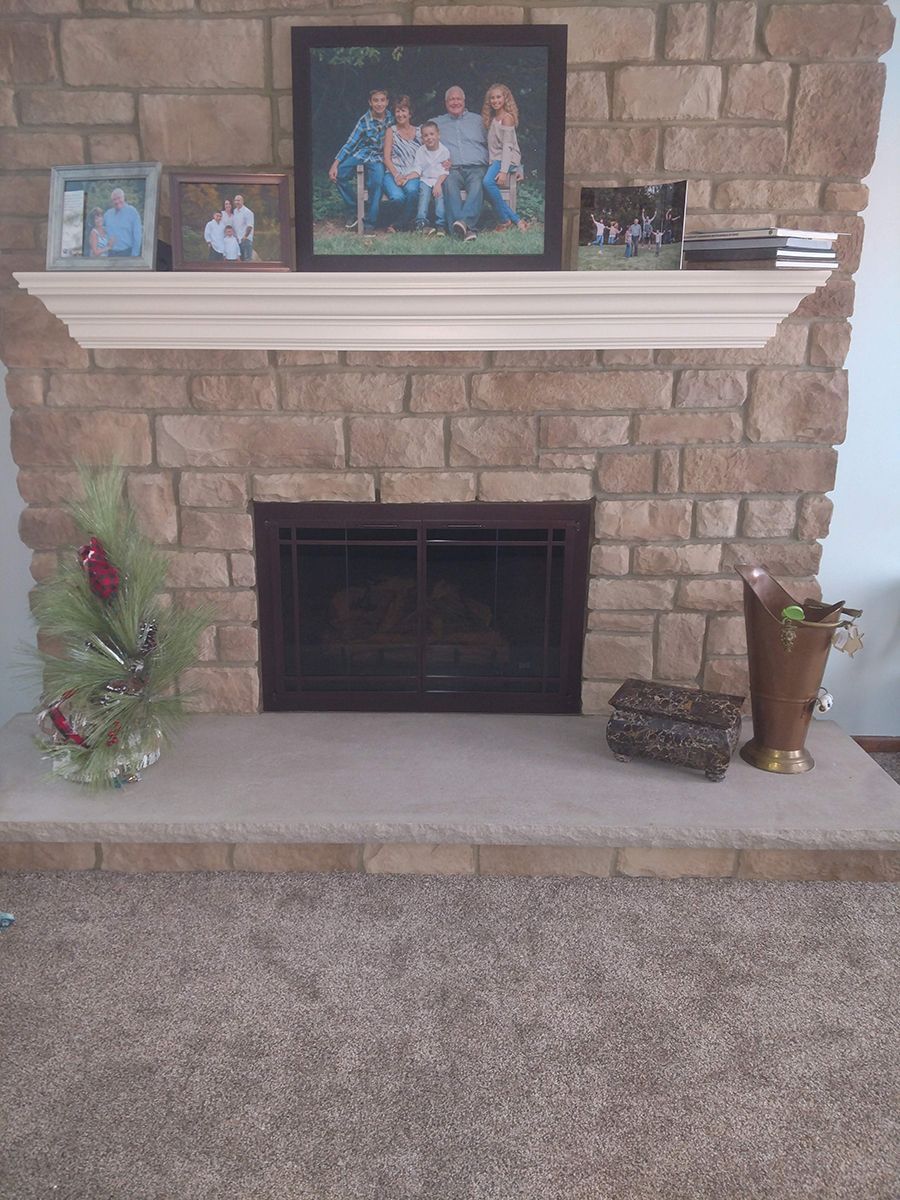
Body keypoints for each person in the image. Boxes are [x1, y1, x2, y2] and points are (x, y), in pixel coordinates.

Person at [329, 88, 394, 234]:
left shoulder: (391, 118)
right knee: (338, 175)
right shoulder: (364, 120)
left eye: (382, 100)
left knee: (376, 183)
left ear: (387, 102)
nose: (379, 104)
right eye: (376, 100)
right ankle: (354, 208)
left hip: (379, 157)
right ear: (370, 103)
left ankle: (370, 223)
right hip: (362, 154)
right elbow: (350, 143)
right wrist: (335, 163)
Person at [433, 86, 487, 242]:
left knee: (477, 184)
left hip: (476, 168)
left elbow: (498, 142)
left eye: (458, 99)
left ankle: (461, 225)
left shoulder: (479, 121)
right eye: (451, 99)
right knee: (449, 184)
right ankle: (467, 228)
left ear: (464, 101)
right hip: (452, 170)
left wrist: (516, 166)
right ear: (446, 102)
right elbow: (420, 141)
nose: (455, 102)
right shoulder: (437, 123)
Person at [481, 83, 526, 233]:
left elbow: (508, 147)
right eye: (492, 98)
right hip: (497, 160)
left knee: (487, 182)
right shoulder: (493, 118)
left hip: (507, 160)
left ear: (505, 98)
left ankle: (503, 220)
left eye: (498, 97)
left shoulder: (507, 118)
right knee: (486, 188)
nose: (495, 101)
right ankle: (517, 220)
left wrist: (504, 171)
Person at [381, 95, 421, 232]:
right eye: (397, 111)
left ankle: (398, 224)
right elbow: (386, 158)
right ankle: (408, 221)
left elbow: (431, 153)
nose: (400, 114)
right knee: (397, 198)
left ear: (410, 113)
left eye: (403, 110)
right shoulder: (391, 131)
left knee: (412, 191)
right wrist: (397, 175)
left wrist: (445, 160)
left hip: (413, 173)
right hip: (392, 172)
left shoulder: (420, 132)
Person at [409, 121, 449, 235]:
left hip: (439, 180)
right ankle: (421, 222)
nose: (429, 138)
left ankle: (441, 225)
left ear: (438, 135)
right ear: (422, 138)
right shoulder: (421, 151)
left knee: (439, 197)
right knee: (423, 196)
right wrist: (408, 177)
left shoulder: (444, 151)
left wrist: (438, 185)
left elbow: (445, 171)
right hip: (425, 179)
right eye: (425, 135)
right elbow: (417, 168)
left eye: (432, 134)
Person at [103, 187, 142, 257]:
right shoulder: (107, 214)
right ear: (112, 201)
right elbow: (101, 232)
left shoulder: (133, 212)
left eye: (119, 198)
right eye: (114, 199)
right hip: (110, 254)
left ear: (124, 198)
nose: (117, 201)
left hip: (126, 254)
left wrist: (134, 256)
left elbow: (137, 236)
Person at [230, 194, 254, 262]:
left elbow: (250, 226)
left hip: (246, 240)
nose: (237, 202)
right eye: (236, 200)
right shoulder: (235, 211)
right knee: (241, 260)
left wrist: (245, 236)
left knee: (247, 260)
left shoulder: (248, 212)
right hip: (238, 240)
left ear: (242, 201)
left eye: (239, 200)